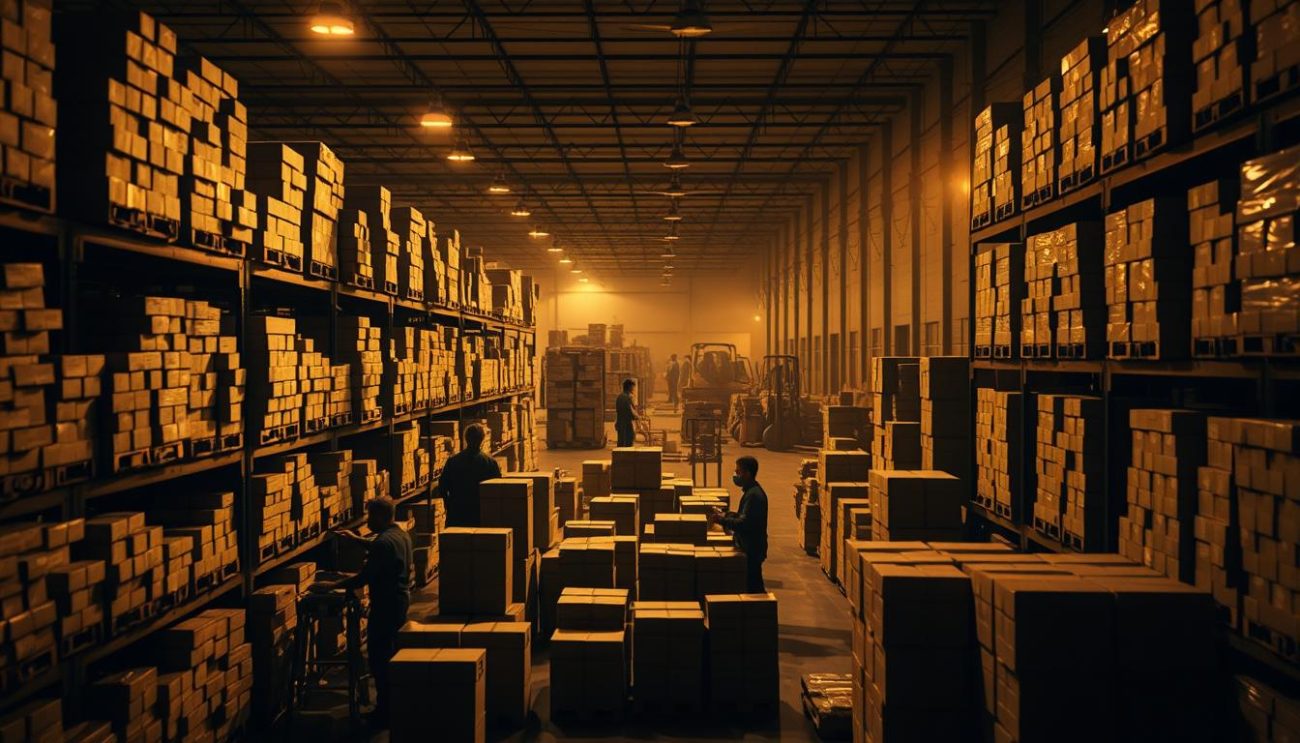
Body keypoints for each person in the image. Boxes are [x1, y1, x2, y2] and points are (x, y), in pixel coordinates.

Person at [329, 496, 414, 728]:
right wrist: (357, 540)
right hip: (401, 600)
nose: (367, 521)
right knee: (392, 651)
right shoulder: (400, 535)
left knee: (379, 657)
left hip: (386, 604)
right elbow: (381, 548)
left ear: (380, 516)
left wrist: (332, 585)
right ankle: (392, 705)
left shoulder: (383, 543)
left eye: (369, 516)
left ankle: (384, 711)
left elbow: (365, 577)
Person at [711, 455, 769, 592]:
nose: (735, 475)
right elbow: (744, 516)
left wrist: (722, 520)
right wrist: (727, 514)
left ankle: (760, 611)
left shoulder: (754, 495)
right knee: (753, 585)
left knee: (753, 588)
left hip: (752, 549)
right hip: (751, 547)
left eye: (738, 472)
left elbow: (744, 523)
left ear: (747, 473)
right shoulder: (751, 491)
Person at [439, 423, 502, 527]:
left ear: (465, 439)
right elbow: (497, 490)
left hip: (457, 514)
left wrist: (449, 505)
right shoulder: (490, 463)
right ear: (482, 440)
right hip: (480, 515)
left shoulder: (453, 461)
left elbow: (442, 488)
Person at [615, 378, 638, 447]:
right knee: (629, 442)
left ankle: (619, 457)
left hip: (620, 422)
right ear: (630, 387)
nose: (634, 389)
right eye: (633, 387)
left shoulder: (619, 397)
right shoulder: (628, 397)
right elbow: (630, 411)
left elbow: (618, 411)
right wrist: (637, 417)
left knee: (620, 442)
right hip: (627, 424)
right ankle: (627, 457)